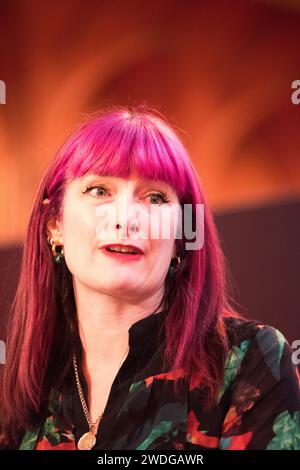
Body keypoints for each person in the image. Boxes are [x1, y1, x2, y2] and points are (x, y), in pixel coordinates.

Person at [0, 105, 299, 451]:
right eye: (99, 191)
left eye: (155, 197)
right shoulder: (22, 395)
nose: (126, 218)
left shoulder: (248, 362)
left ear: (180, 238)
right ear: (55, 224)